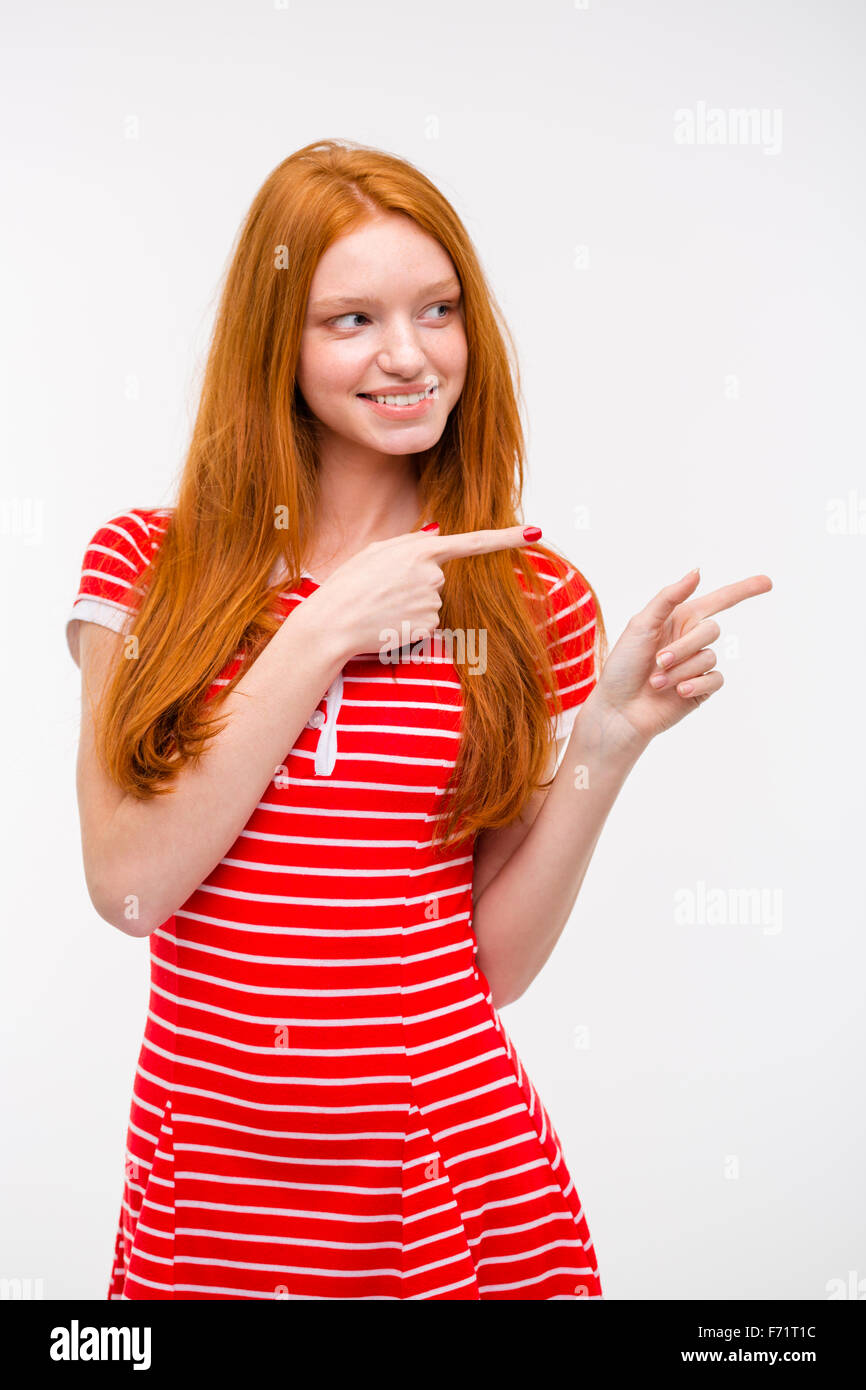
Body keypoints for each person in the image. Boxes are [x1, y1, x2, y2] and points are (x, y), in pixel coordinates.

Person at [66, 139, 772, 1301]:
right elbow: (127, 885)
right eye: (350, 320)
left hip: (453, 1186)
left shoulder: (530, 598)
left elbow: (486, 967)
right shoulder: (149, 566)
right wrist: (319, 632)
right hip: (216, 1201)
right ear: (273, 341)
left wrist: (607, 740)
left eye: (437, 310)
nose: (408, 356)